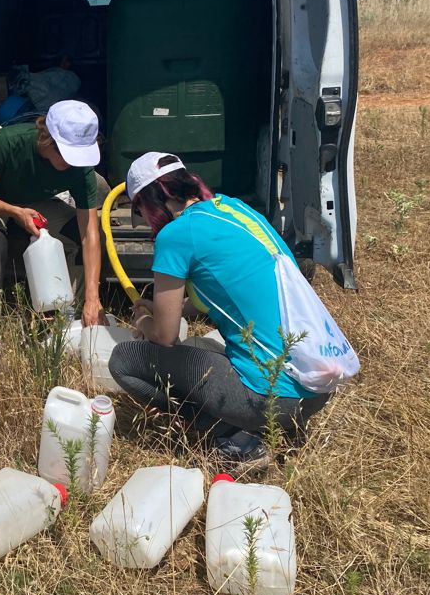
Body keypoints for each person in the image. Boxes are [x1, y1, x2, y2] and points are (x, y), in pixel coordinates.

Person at [108, 152, 332, 467]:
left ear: (150, 201)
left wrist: (145, 318)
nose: (143, 220)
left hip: (271, 399)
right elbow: (214, 292)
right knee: (211, 346)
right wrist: (178, 308)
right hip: (318, 386)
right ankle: (272, 423)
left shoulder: (175, 235)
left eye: (139, 211)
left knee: (124, 360)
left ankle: (233, 434)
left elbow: (164, 337)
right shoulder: (234, 208)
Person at [0, 100, 106, 370]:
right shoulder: (8, 142)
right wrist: (15, 212)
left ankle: (64, 317)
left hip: (31, 202)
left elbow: (89, 233)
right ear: (47, 138)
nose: (71, 163)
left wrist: (92, 297)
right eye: (66, 155)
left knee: (75, 235)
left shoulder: (81, 168)